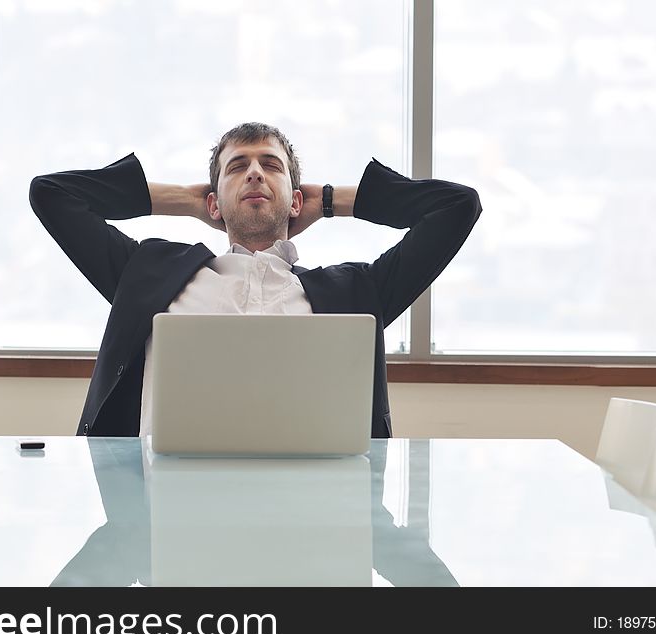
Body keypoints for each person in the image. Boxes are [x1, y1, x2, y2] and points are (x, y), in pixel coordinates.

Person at [29, 122, 481, 439]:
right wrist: (183, 200)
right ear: (213, 204)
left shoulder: (355, 293)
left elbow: (456, 207)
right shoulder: (148, 273)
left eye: (271, 165)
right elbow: (52, 195)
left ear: (295, 202)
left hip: (313, 517)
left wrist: (328, 201)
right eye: (236, 166)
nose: (254, 173)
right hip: (168, 514)